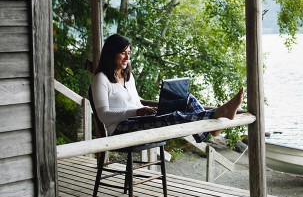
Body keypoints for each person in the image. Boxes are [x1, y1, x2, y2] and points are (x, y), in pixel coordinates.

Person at [91, 34, 244, 142]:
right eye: (123, 53)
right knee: (175, 116)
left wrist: (153, 111)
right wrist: (137, 112)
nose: (127, 57)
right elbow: (103, 115)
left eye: (129, 53)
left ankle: (215, 121)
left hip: (138, 120)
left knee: (185, 98)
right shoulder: (101, 79)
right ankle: (218, 115)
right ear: (111, 53)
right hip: (120, 129)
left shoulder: (128, 77)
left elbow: (137, 103)